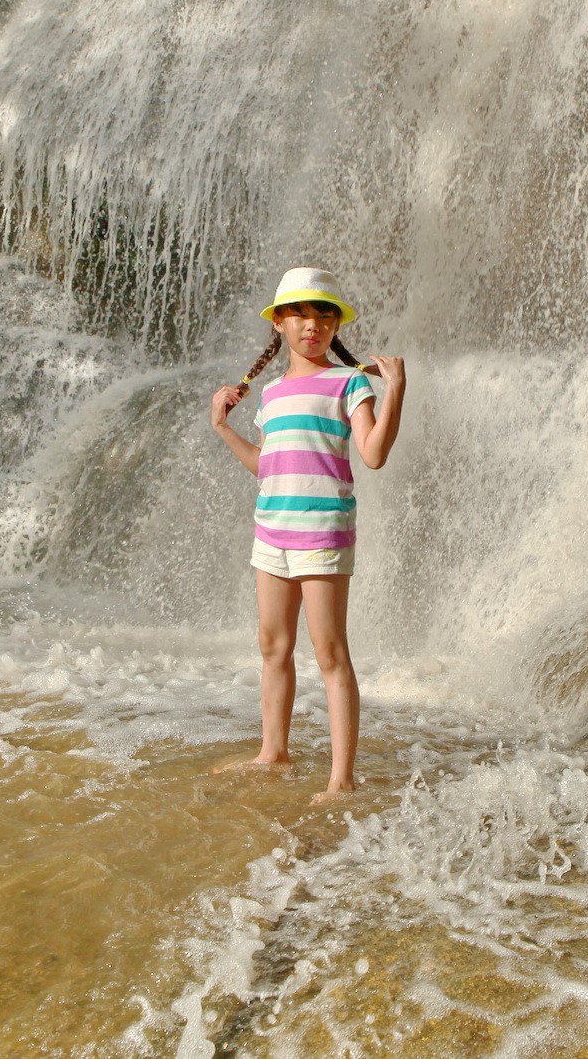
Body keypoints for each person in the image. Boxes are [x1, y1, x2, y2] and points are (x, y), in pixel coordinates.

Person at [208, 266, 406, 802]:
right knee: (273, 647)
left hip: (322, 533)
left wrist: (397, 393)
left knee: (331, 653)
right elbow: (270, 465)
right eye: (299, 314)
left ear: (336, 326)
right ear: (278, 324)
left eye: (324, 316)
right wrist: (225, 428)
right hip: (271, 534)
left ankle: (342, 779)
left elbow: (373, 454)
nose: (312, 325)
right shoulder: (270, 394)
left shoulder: (350, 382)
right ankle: (273, 753)